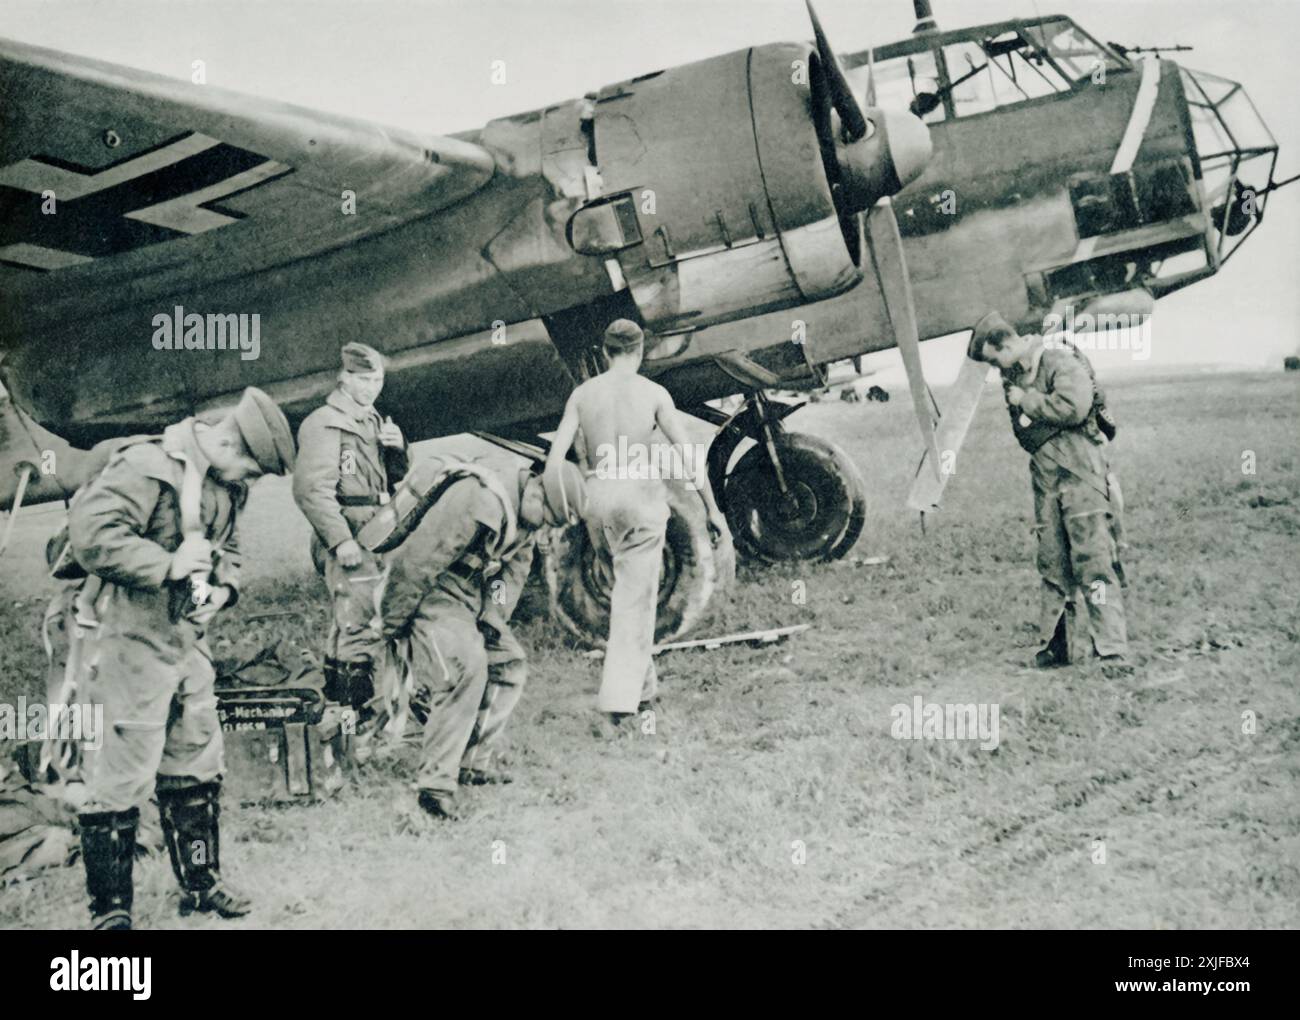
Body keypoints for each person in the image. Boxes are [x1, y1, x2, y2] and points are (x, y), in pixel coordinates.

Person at [68, 387, 295, 929]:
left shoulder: (224, 480)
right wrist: (168, 565)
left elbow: (229, 549)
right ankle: (111, 910)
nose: (248, 481)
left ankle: (200, 884)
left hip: (184, 640)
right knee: (120, 775)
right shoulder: (149, 467)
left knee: (195, 763)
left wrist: (223, 591)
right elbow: (91, 537)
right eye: (250, 468)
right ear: (223, 440)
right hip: (127, 633)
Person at [544, 319, 727, 729]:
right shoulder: (654, 394)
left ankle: (643, 691)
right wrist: (712, 509)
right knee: (634, 601)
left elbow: (554, 464)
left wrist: (564, 509)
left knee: (626, 595)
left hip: (597, 500)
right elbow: (687, 455)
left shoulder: (582, 395)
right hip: (639, 498)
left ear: (604, 352)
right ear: (640, 351)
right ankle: (620, 702)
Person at [380, 459, 587, 820]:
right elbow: (417, 563)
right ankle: (435, 788)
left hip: (469, 594)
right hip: (435, 590)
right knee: (465, 667)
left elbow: (512, 573)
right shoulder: (480, 499)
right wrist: (391, 624)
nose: (544, 530)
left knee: (508, 664)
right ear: (537, 489)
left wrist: (493, 617)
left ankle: (472, 763)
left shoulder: (530, 513)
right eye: (548, 519)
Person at [969, 311, 1130, 673]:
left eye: (995, 359)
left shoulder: (1058, 359)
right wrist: (1031, 406)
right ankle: (1058, 647)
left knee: (1093, 560)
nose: (996, 369)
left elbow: (1074, 408)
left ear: (1006, 343)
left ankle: (1112, 649)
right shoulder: (1017, 377)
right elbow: (1025, 434)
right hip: (1047, 480)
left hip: (1081, 474)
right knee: (1053, 562)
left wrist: (1027, 402)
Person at [293, 342, 409, 725]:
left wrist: (398, 450)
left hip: (376, 525)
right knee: (359, 621)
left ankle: (339, 708)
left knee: (350, 618)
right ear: (344, 378)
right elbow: (311, 489)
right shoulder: (325, 423)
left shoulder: (372, 421)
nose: (372, 387)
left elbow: (393, 480)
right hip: (352, 531)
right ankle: (356, 714)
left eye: (378, 379)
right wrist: (339, 539)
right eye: (364, 379)